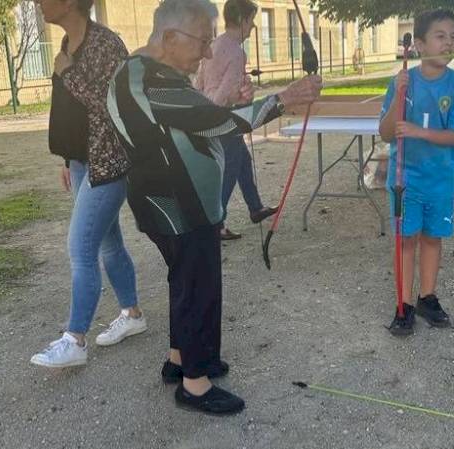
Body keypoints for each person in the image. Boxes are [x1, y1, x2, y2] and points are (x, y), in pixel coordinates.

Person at [107, 0, 321, 414]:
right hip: (178, 202)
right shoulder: (147, 78)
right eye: (203, 42)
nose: (208, 53)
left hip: (176, 199)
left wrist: (235, 103)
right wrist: (284, 99)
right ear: (169, 38)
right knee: (196, 283)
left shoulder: (150, 72)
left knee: (185, 280)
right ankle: (195, 384)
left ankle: (182, 358)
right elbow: (210, 119)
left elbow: (198, 115)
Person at [30, 0, 146, 369]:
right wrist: (68, 158)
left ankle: (74, 339)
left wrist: (68, 74)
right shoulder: (66, 45)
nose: (38, 2)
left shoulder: (106, 45)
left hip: (109, 163)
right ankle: (133, 315)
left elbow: (118, 105)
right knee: (109, 244)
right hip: (83, 161)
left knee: (81, 247)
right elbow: (70, 111)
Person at [378, 10, 454, 334]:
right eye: (440, 36)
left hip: (440, 180)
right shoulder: (402, 81)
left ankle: (427, 296)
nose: (449, 42)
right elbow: (387, 133)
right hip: (405, 180)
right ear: (418, 45)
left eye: (453, 36)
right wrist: (398, 96)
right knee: (406, 241)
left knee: (432, 239)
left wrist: (418, 131)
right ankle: (403, 304)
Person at [195, 0, 277, 241]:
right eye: (251, 20)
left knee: (242, 160)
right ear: (241, 20)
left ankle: (255, 207)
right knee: (229, 169)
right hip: (224, 120)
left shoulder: (215, 44)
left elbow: (198, 85)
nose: (253, 27)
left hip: (211, 117)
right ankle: (216, 223)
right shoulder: (236, 52)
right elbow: (224, 96)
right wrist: (238, 100)